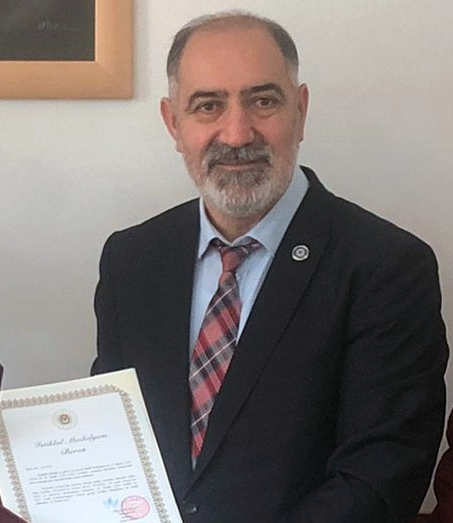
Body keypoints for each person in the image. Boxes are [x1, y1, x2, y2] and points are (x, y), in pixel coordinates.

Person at [92, 11, 449, 523]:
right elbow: (114, 437)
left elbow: (381, 474)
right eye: (208, 105)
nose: (237, 134)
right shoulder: (131, 259)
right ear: (173, 123)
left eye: (263, 101)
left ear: (300, 111)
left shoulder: (387, 267)